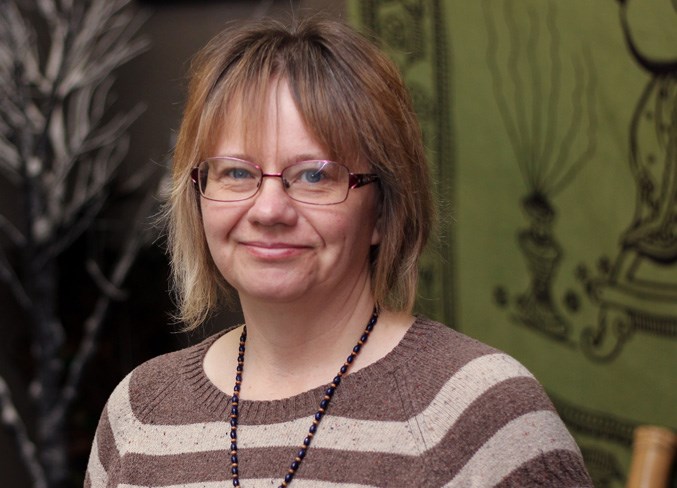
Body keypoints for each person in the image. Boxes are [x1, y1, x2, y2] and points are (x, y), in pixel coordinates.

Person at [85, 17, 592, 488]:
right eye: (236, 172)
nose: (269, 210)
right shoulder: (140, 413)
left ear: (381, 208)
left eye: (314, 175)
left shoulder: (484, 415)